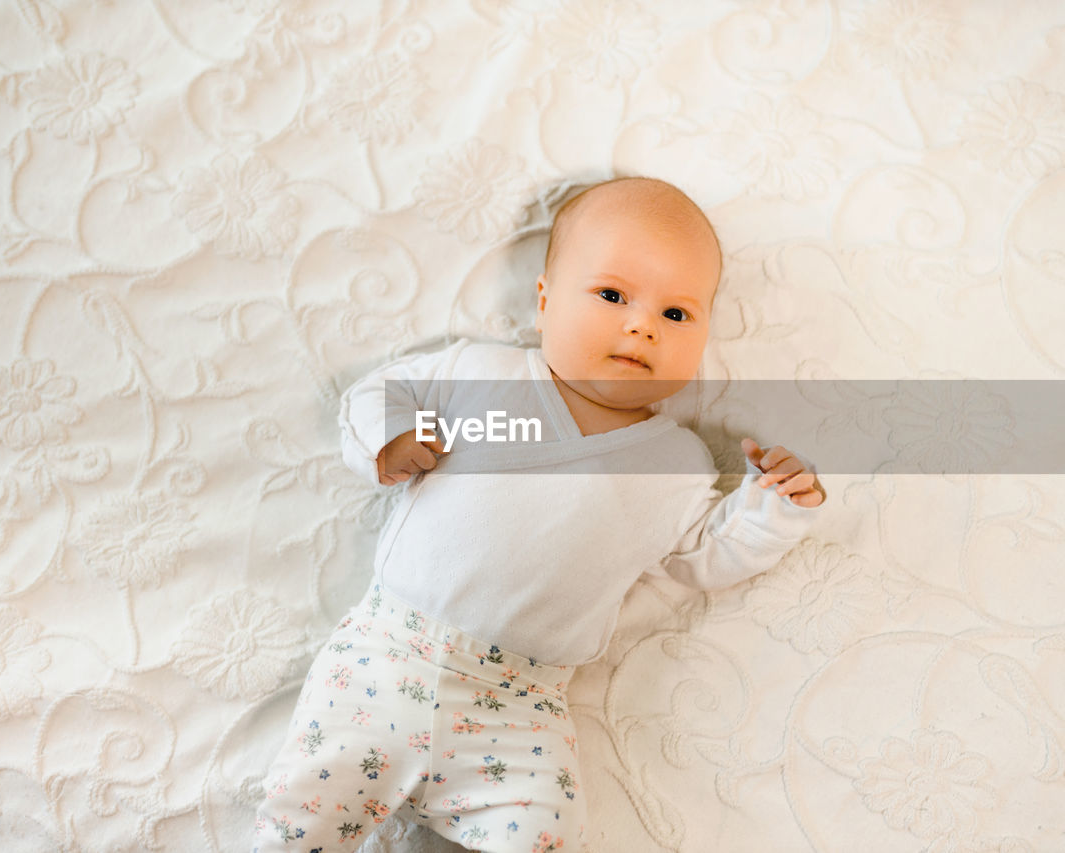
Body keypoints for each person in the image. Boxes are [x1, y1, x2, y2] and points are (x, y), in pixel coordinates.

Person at [251, 177, 825, 852]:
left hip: (518, 710)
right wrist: (388, 442)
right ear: (546, 300)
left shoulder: (678, 461)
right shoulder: (485, 376)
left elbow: (707, 554)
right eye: (612, 295)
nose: (642, 324)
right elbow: (379, 392)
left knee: (546, 829)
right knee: (303, 814)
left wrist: (775, 505)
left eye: (676, 314)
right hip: (386, 660)